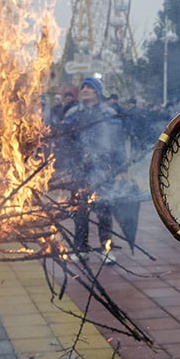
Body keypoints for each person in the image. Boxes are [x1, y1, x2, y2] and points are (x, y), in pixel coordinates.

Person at [56, 76, 126, 263]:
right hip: (80, 170)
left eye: (90, 87)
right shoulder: (73, 114)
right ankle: (81, 248)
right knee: (80, 210)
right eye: (83, 87)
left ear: (98, 91)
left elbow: (118, 142)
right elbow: (64, 141)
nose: (85, 90)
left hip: (103, 170)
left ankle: (106, 249)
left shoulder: (109, 114)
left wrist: (121, 166)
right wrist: (66, 163)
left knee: (104, 210)